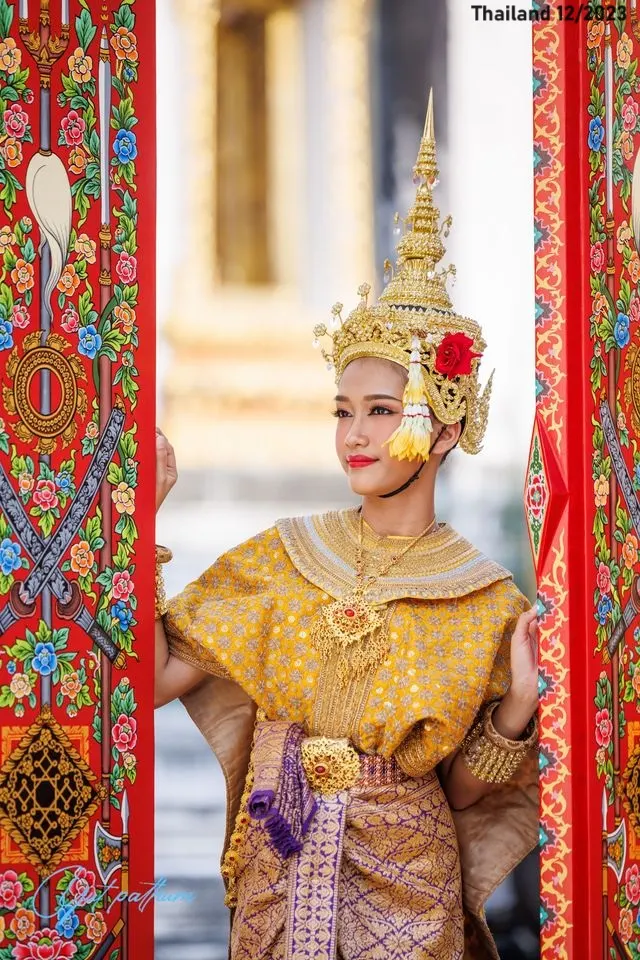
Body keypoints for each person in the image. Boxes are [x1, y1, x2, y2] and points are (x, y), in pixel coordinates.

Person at [154, 92, 539, 960]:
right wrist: (146, 522)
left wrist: (516, 700)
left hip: (410, 879)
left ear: (444, 429)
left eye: (379, 411)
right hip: (283, 863)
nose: (355, 435)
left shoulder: (485, 600)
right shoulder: (284, 559)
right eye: (342, 410)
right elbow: (149, 677)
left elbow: (468, 795)